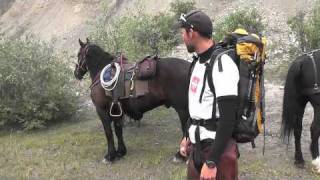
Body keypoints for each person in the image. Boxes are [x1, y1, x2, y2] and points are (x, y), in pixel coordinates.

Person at [174, 10, 239, 180]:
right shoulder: (197, 62)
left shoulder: (222, 65)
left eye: (183, 32)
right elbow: (197, 107)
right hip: (196, 147)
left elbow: (228, 119)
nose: (182, 37)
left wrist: (212, 162)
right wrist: (187, 135)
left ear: (192, 33)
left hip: (215, 149)